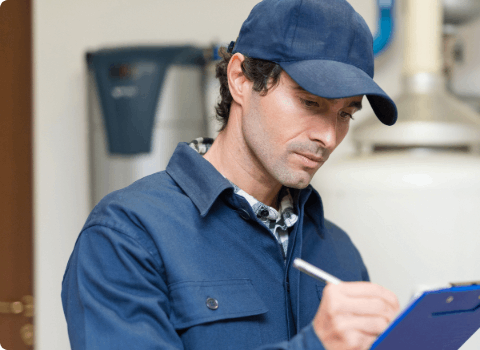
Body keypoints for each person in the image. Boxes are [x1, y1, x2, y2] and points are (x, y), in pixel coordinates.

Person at [61, 0, 401, 349]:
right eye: (310, 103)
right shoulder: (127, 235)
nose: (328, 138)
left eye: (346, 114)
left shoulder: (339, 250)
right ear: (240, 78)